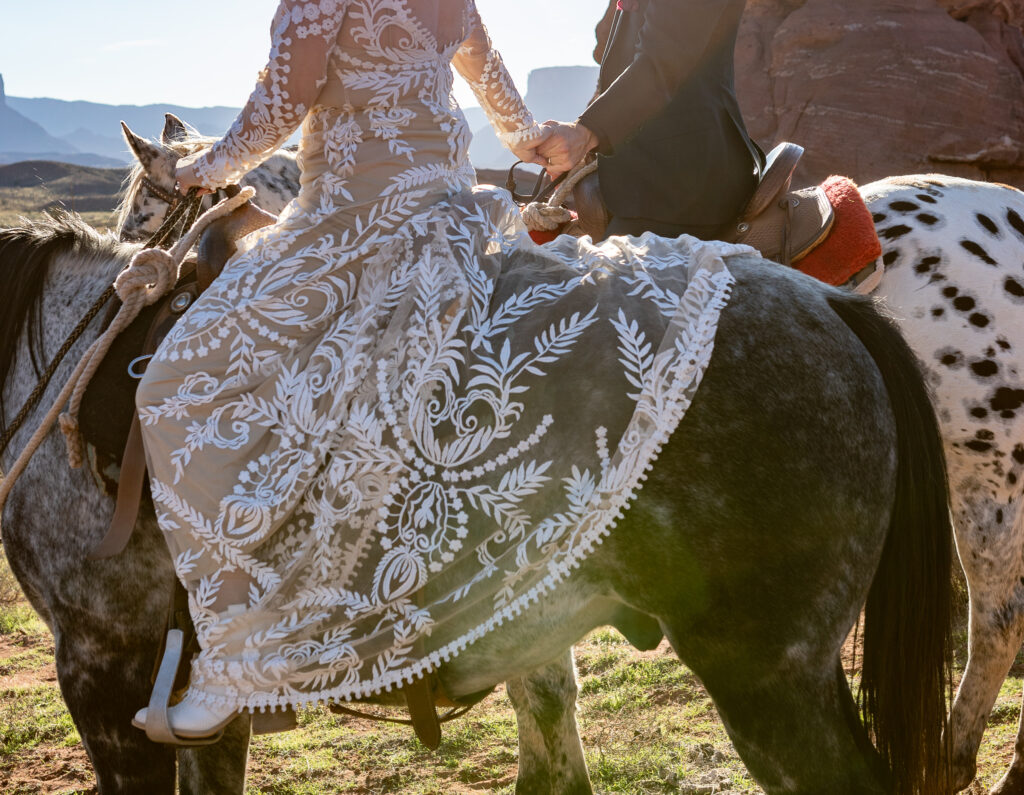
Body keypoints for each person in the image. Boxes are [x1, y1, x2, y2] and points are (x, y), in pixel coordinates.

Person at [132, 0, 744, 742]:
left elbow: (282, 106)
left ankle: (234, 658)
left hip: (352, 225)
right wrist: (535, 140)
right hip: (450, 219)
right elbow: (493, 85)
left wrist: (201, 169)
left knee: (172, 386)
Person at [538, 0, 764, 240]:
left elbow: (663, 63)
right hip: (645, 173)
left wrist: (585, 133)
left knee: (611, 275)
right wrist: (589, 145)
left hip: (683, 183)